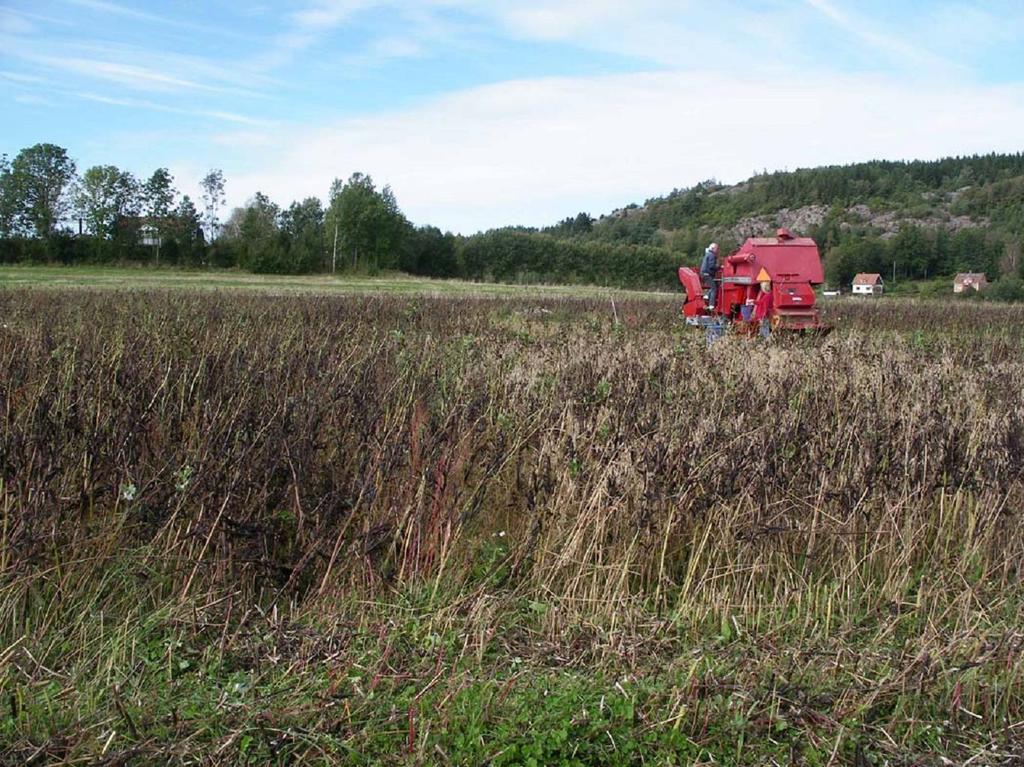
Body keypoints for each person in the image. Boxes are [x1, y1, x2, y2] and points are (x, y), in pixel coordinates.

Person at [699, 243, 719, 311]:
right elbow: (711, 266)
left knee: (713, 285)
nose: (717, 250)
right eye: (717, 248)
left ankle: (707, 296)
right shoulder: (712, 255)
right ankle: (711, 305)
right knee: (714, 288)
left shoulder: (707, 254)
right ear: (713, 248)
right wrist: (719, 267)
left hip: (704, 273)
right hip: (707, 274)